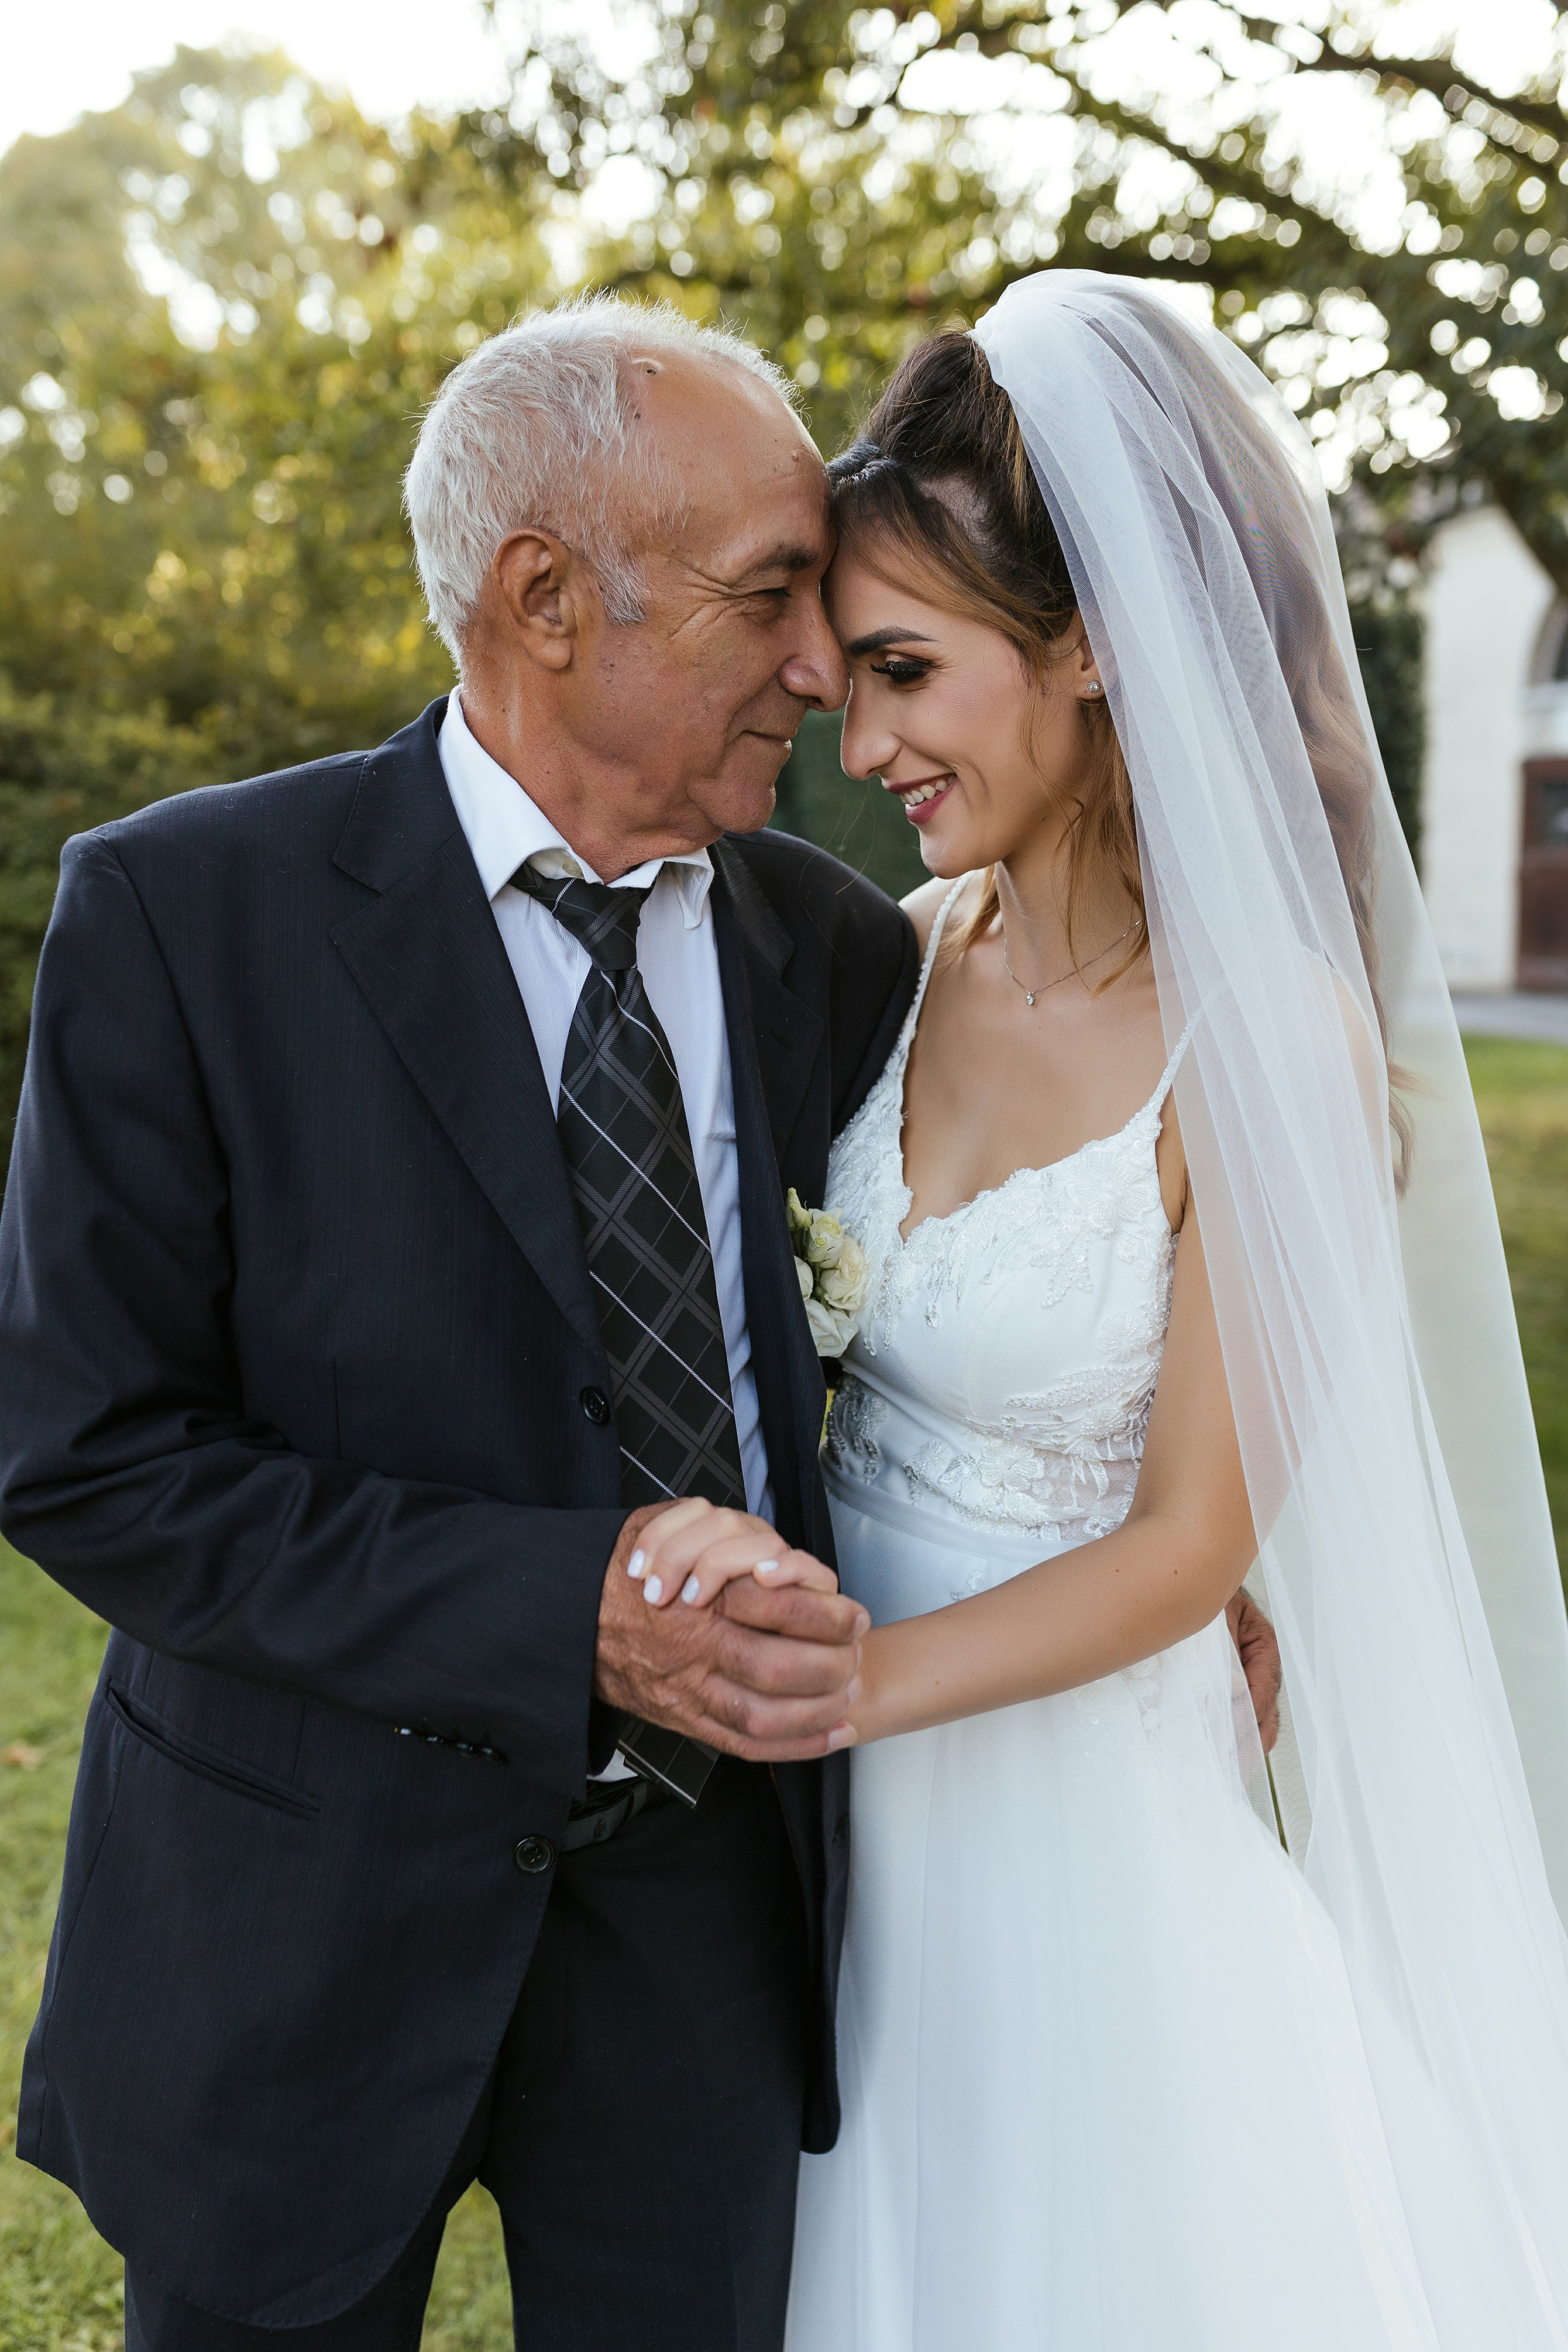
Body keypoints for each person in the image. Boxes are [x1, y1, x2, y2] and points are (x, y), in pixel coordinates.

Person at [655, 276, 1568, 2346]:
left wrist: (848, 1692)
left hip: (1067, 1836)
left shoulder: (1270, 1045)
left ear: (1091, 650)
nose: (857, 736)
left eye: (904, 671)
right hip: (827, 1850)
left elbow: (1186, 1552)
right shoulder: (893, 955)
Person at [0, 299, 909, 2352]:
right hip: (293, 1906)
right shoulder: (183, 916)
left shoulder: (828, 951)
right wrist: (559, 1610)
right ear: (543, 596)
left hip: (711, 1923)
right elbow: (93, 1457)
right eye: (773, 595)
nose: (819, 668)